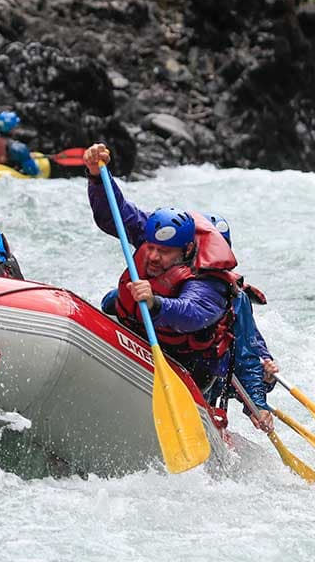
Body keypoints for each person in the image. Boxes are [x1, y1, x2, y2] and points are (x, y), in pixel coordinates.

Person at [82, 143, 248, 423]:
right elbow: (115, 215)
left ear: (185, 251)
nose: (154, 257)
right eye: (153, 248)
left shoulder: (210, 278)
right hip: (146, 332)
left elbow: (193, 314)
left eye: (165, 252)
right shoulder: (156, 237)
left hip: (190, 360)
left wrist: (156, 302)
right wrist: (98, 175)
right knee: (112, 301)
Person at [203, 213, 279, 431]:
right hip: (182, 367)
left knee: (261, 373)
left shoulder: (236, 298)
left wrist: (258, 401)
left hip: (215, 379)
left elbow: (248, 352)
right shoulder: (167, 278)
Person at [0, 111, 40, 176]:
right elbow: (33, 172)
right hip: (6, 178)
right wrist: (27, 157)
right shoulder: (20, 148)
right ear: (13, 127)